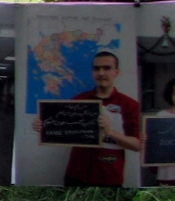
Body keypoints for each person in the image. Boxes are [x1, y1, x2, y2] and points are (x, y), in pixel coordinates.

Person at [35, 50, 141, 187]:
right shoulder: (79, 100)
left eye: (107, 68)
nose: (101, 73)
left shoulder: (130, 105)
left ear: (116, 72)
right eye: (97, 69)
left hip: (109, 177)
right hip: (76, 175)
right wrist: (41, 125)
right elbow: (60, 128)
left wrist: (110, 132)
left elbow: (137, 145)